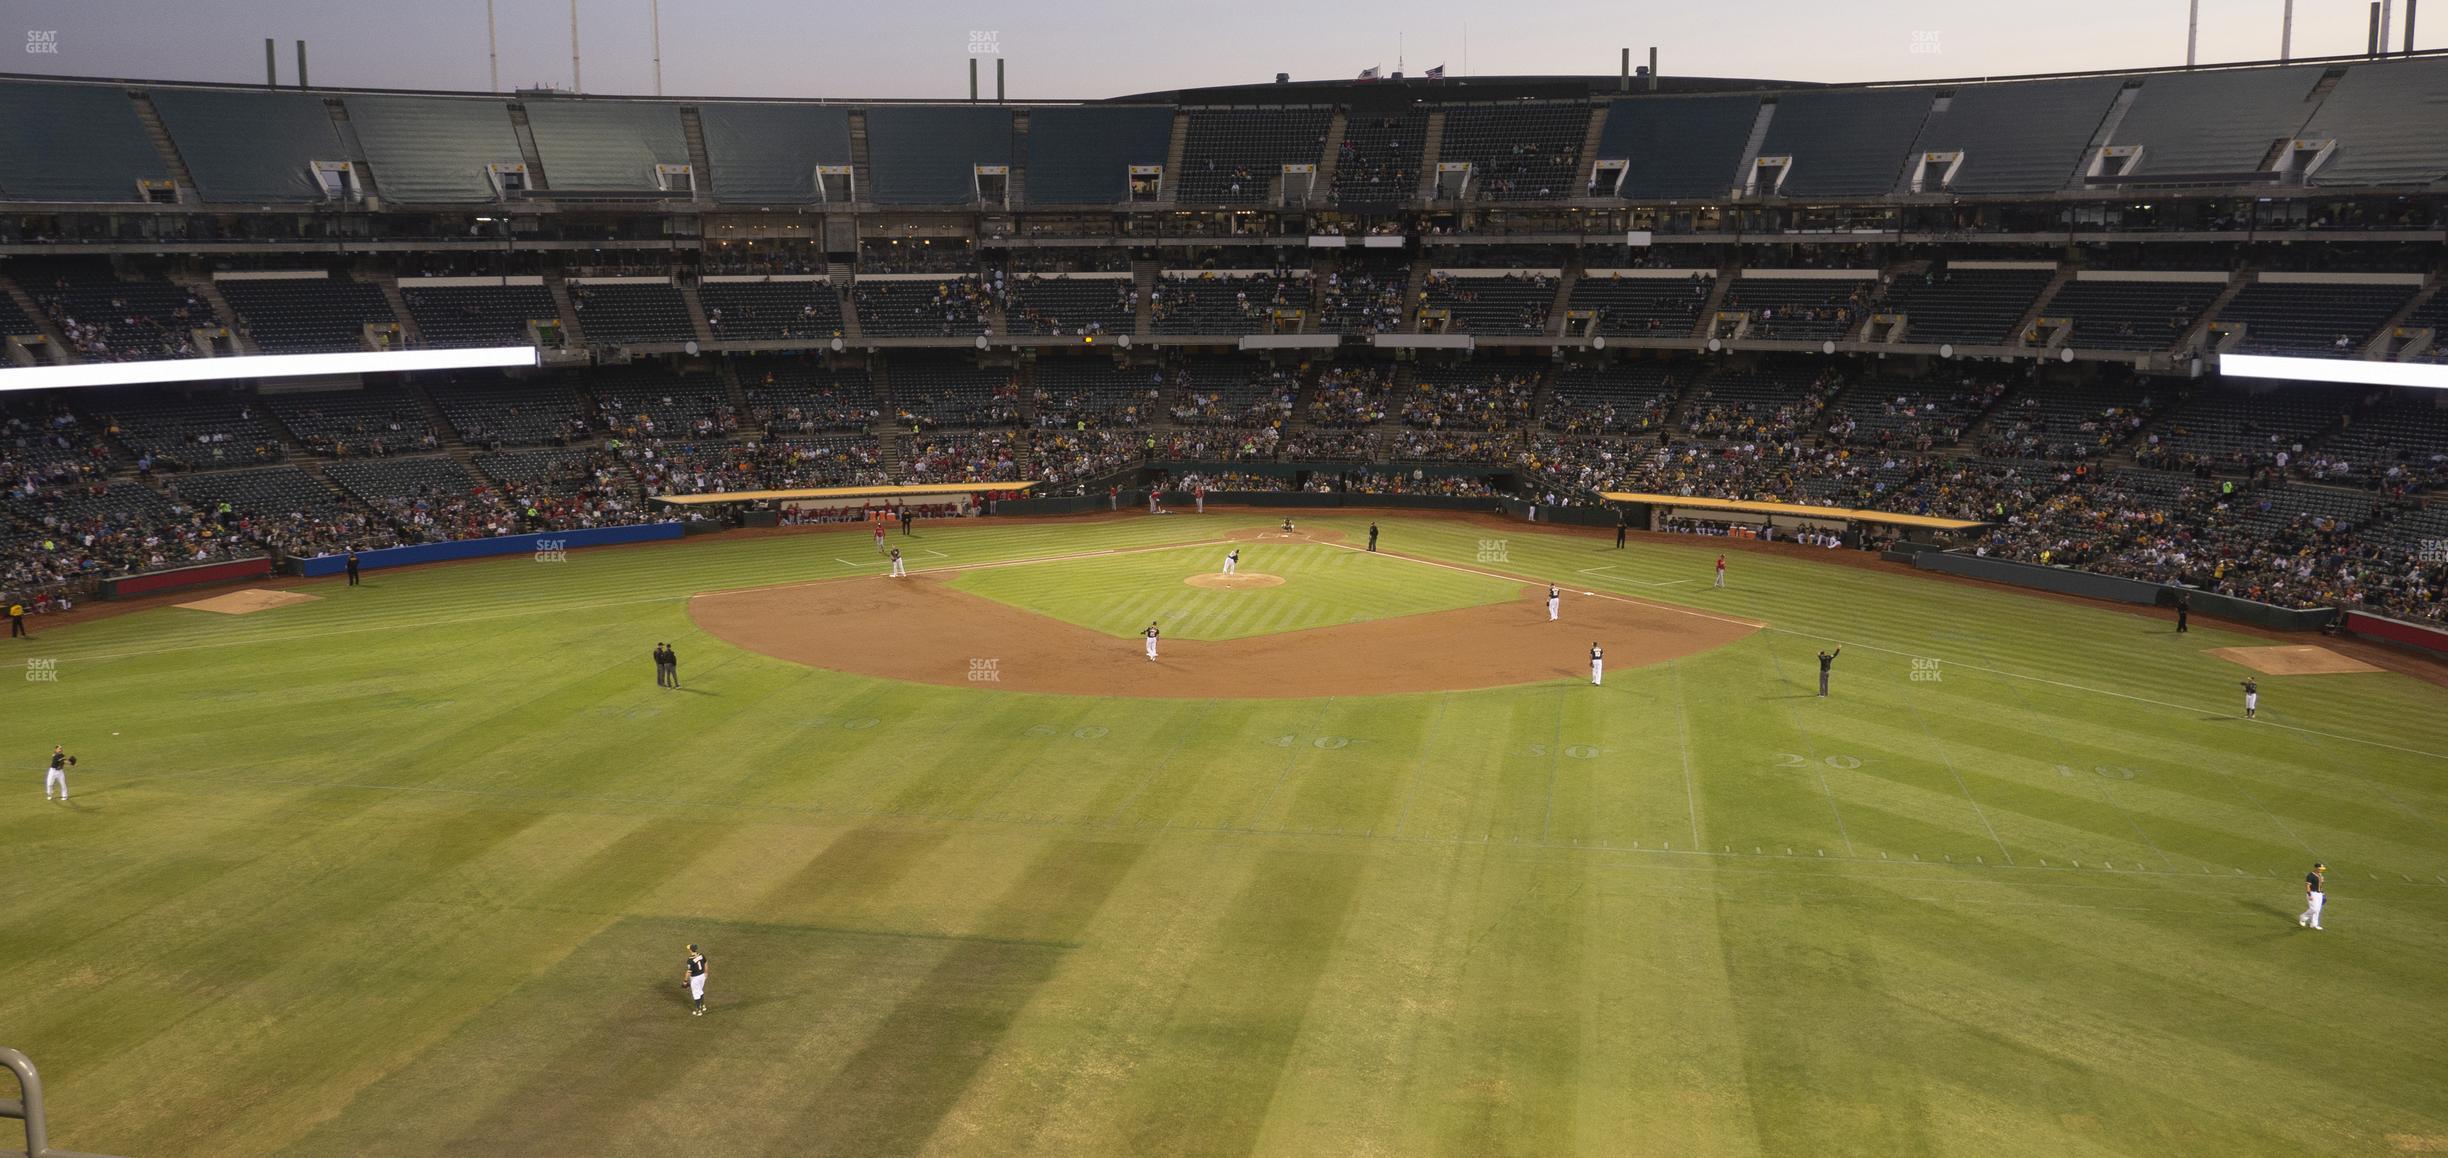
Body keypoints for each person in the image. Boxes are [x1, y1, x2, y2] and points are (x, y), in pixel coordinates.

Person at [2298, 863, 2325, 930]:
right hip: (2312, 893)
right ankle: (2303, 917)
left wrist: (2322, 892)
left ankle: (2314, 924)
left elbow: (2320, 885)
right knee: (2314, 909)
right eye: (2320, 869)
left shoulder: (2320, 875)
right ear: (2316, 868)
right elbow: (2307, 886)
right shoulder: (2310, 876)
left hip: (2319, 894)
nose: (2321, 870)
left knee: (2318, 910)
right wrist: (2309, 894)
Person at [685, 944, 709, 1015]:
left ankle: (698, 1011)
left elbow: (689, 971)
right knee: (700, 990)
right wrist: (706, 972)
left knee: (696, 993)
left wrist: (685, 981)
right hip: (703, 976)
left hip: (695, 978)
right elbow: (706, 962)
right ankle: (703, 1006)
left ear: (690, 950)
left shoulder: (690, 960)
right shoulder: (701, 955)